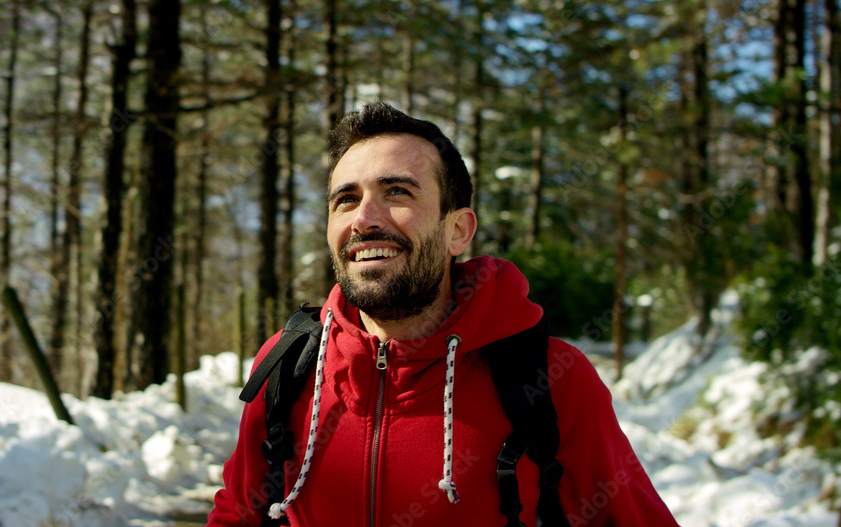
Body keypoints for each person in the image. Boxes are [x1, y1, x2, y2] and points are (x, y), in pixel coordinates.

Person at [208, 102, 679, 526]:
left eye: (396, 192)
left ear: (458, 230)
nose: (364, 218)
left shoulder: (553, 380)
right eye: (345, 199)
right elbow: (238, 515)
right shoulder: (288, 364)